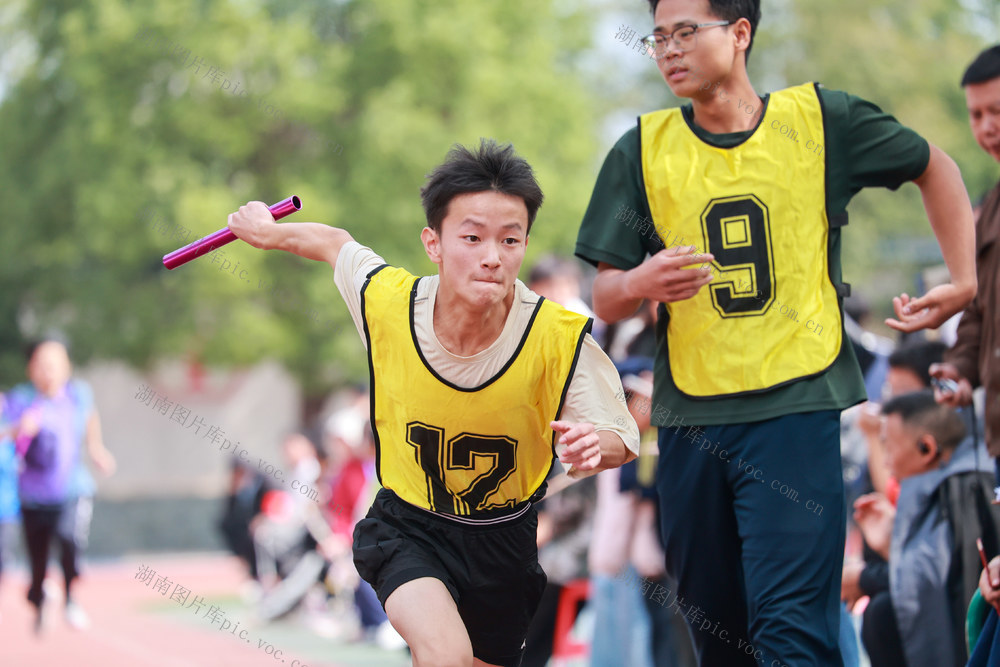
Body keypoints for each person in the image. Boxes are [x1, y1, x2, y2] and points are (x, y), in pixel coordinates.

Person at [575, 0, 977, 664]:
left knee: (792, 632)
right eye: (657, 37)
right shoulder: (641, 148)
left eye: (685, 32)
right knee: (717, 633)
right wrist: (643, 281)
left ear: (739, 34)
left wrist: (964, 280)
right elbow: (606, 295)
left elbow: (935, 165)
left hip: (797, 410)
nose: (667, 49)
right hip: (692, 422)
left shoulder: (821, 121)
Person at [226, 139, 639, 667]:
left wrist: (593, 446)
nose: (493, 256)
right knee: (444, 656)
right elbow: (334, 241)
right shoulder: (389, 302)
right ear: (434, 243)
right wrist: (268, 231)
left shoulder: (558, 338)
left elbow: (622, 435)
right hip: (408, 526)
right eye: (472, 237)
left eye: (510, 240)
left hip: (503, 542)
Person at [847, 390, 996, 666]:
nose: (886, 461)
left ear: (926, 448)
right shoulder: (948, 479)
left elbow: (938, 579)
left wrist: (865, 578)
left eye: (888, 447)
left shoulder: (965, 487)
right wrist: (893, 544)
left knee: (882, 613)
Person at [1, 339, 116, 632]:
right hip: (32, 495)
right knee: (38, 562)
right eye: (41, 364)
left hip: (70, 489)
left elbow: (90, 417)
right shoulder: (21, 399)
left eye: (54, 364)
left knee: (69, 540)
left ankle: (70, 599)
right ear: (31, 369)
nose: (47, 371)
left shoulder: (78, 394)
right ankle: (39, 598)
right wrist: (18, 429)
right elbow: (5, 432)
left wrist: (96, 448)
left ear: (66, 368)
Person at [931, 44, 1000, 489]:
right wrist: (959, 368)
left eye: (996, 111)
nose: (987, 127)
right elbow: (979, 311)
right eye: (976, 115)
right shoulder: (991, 207)